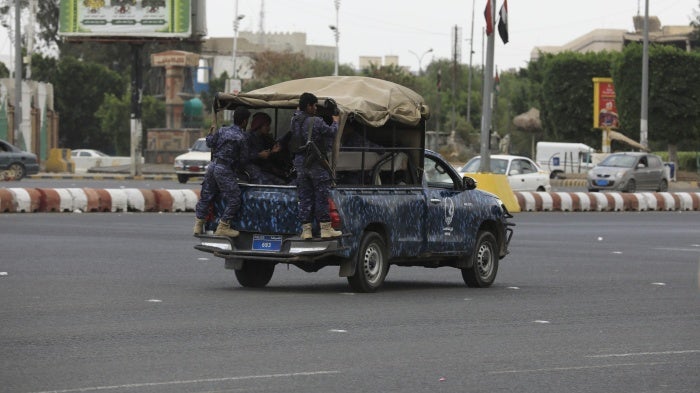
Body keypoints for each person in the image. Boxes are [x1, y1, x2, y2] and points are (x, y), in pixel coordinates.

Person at [289, 92, 342, 240]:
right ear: (309, 106)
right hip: (315, 164)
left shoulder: (294, 120)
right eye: (314, 106)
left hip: (300, 163)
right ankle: (325, 229)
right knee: (321, 196)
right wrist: (336, 120)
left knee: (305, 197)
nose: (316, 109)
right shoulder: (316, 121)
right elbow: (331, 132)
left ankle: (306, 230)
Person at [193, 107, 251, 237]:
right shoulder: (241, 137)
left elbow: (210, 142)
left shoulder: (223, 130)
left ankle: (198, 224)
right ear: (244, 121)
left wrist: (210, 133)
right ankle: (223, 226)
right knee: (235, 198)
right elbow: (244, 159)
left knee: (206, 195)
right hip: (224, 169)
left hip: (212, 166)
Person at [244, 112, 286, 185]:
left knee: (281, 182)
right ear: (259, 125)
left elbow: (267, 154)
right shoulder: (248, 137)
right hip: (250, 169)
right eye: (266, 125)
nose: (269, 128)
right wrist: (258, 155)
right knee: (270, 184)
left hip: (263, 169)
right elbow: (243, 156)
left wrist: (272, 152)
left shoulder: (264, 138)